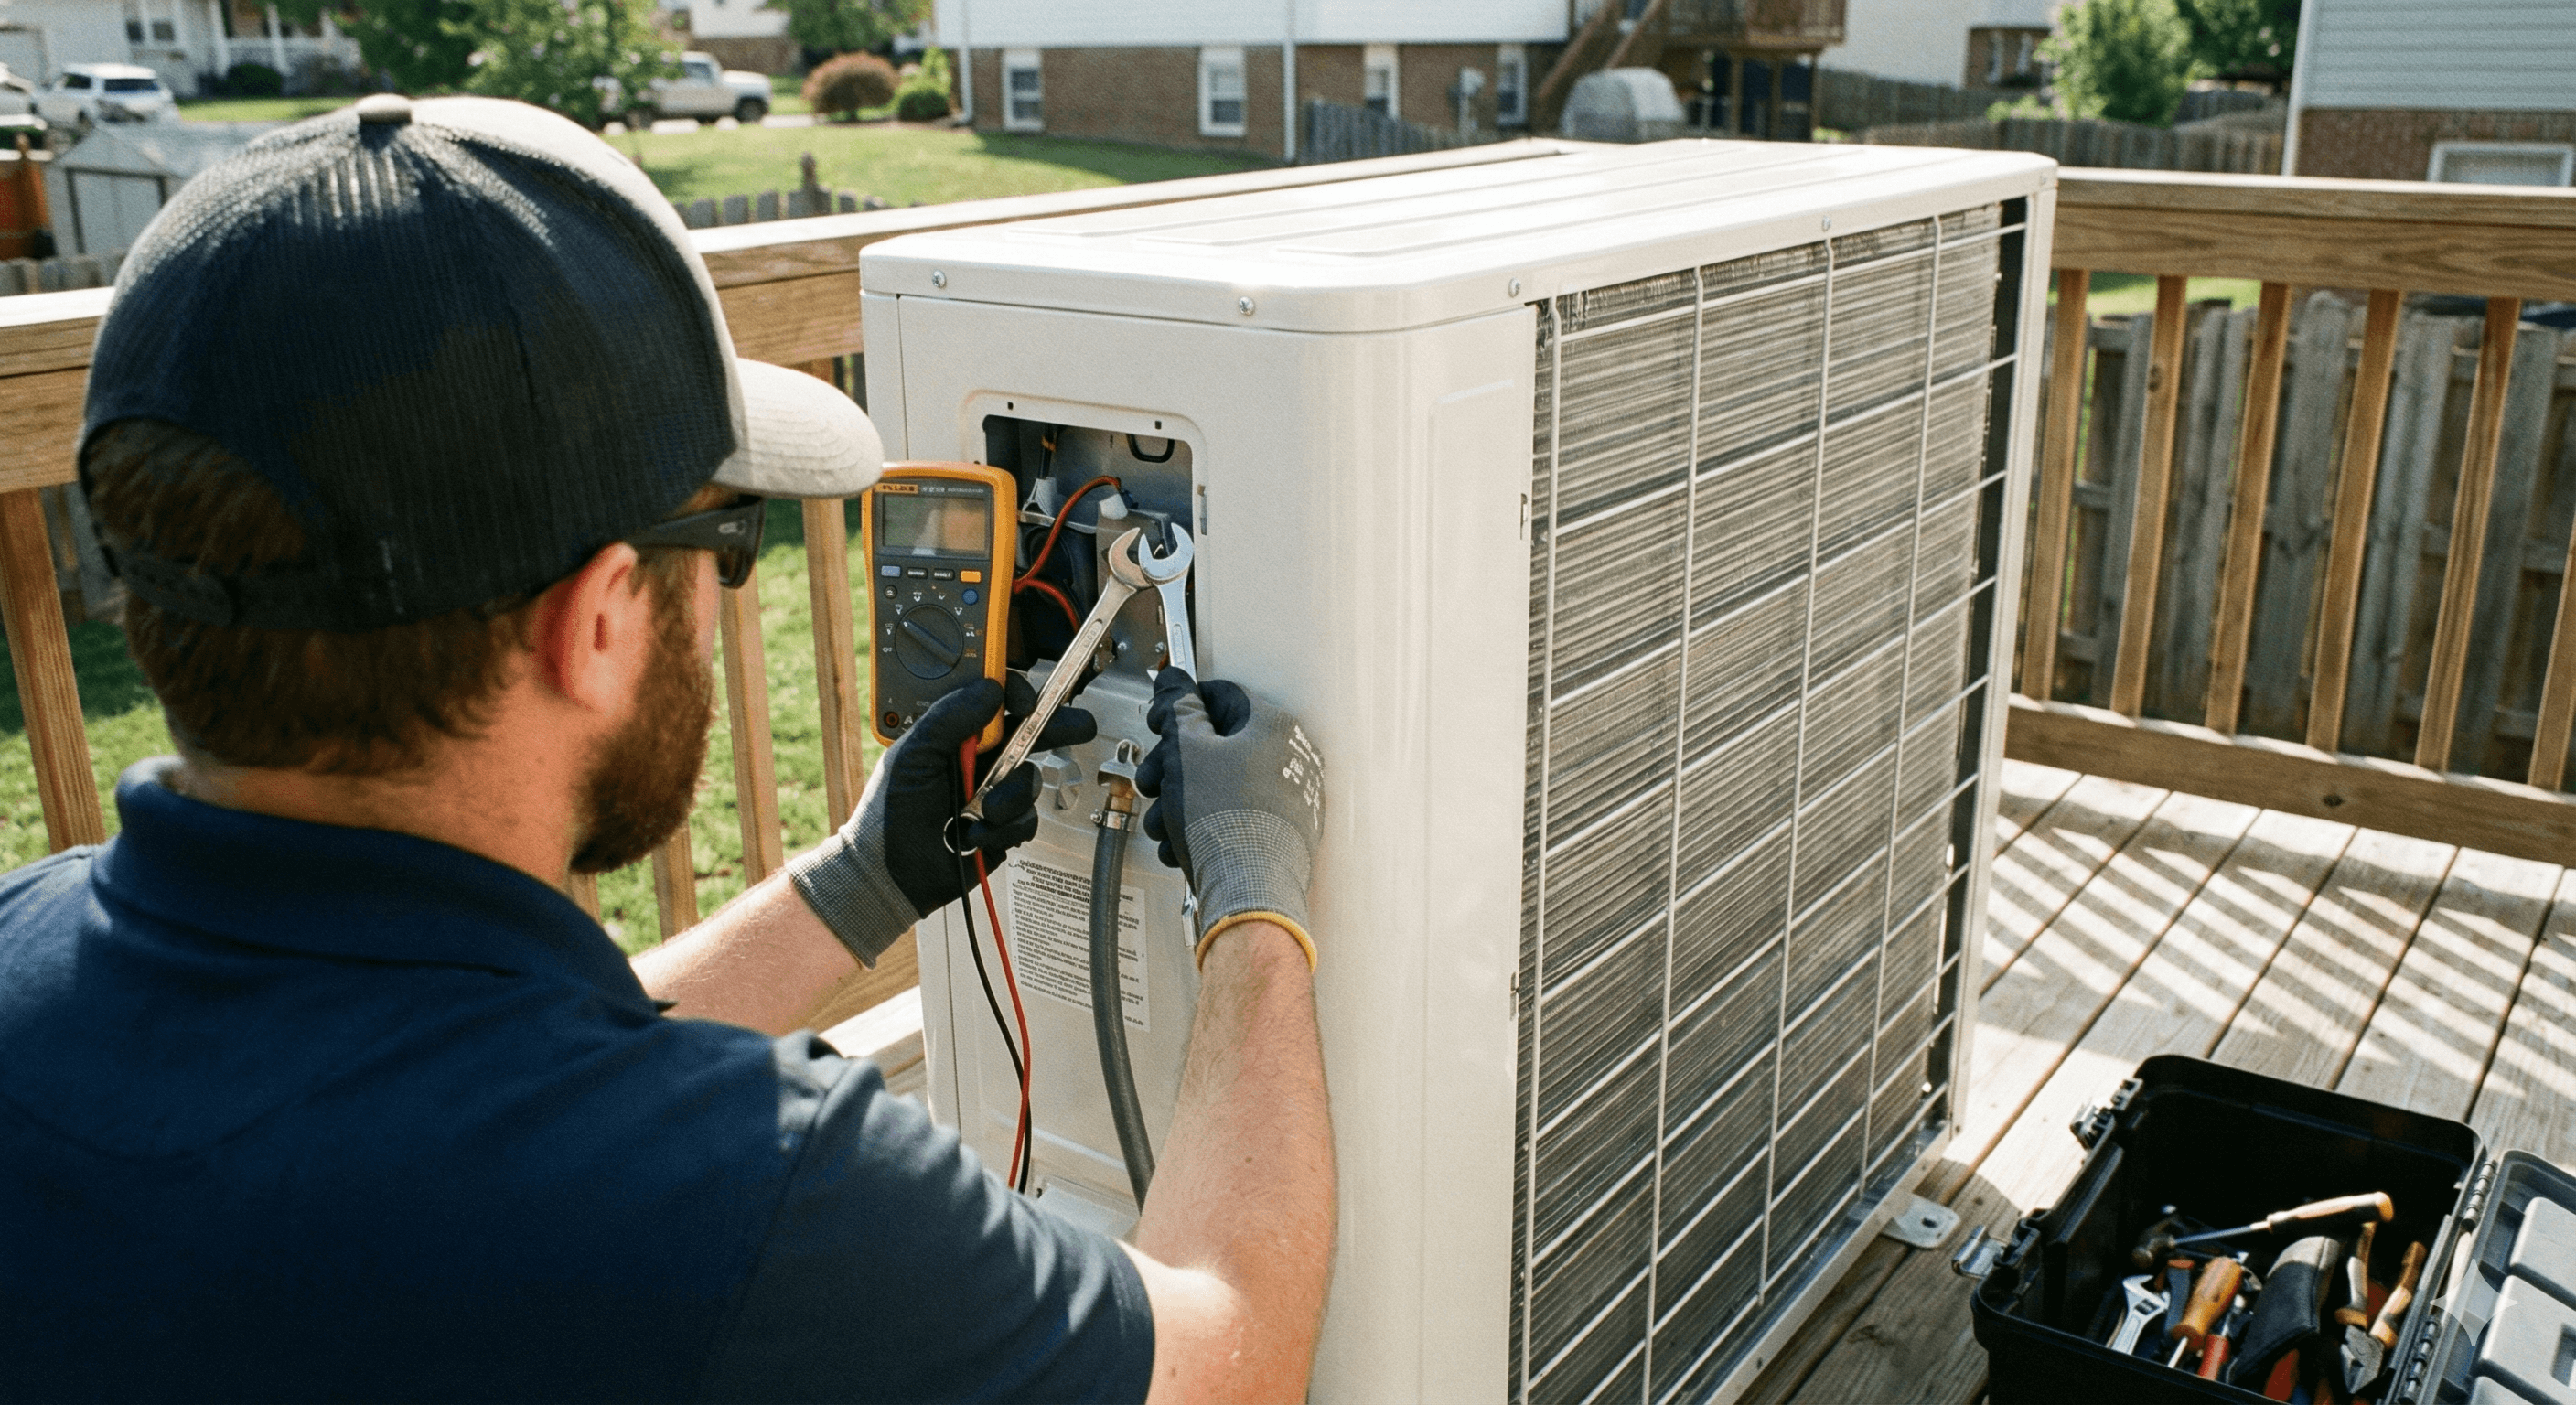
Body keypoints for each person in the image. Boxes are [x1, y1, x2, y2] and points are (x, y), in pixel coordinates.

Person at [0, 95, 1334, 1402]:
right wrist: (1252, 902)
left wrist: (855, 885)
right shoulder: (762, 1199)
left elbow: (457, 1076)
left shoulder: (28, 955)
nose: (723, 592)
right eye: (728, 537)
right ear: (595, 622)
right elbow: (1234, 1355)